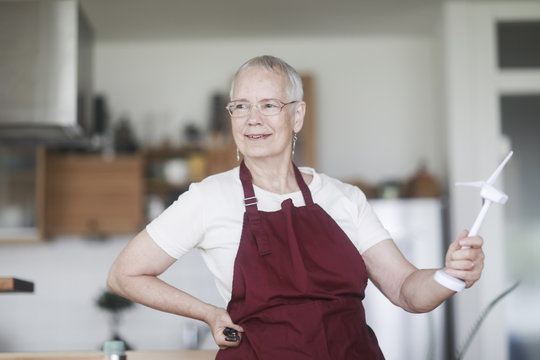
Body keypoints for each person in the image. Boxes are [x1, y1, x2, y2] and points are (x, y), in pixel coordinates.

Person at [107, 55, 485, 359]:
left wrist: (449, 275)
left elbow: (406, 290)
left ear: (297, 115)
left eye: (269, 105)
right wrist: (208, 312)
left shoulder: (344, 198)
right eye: (241, 106)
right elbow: (125, 275)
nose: (253, 119)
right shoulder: (209, 198)